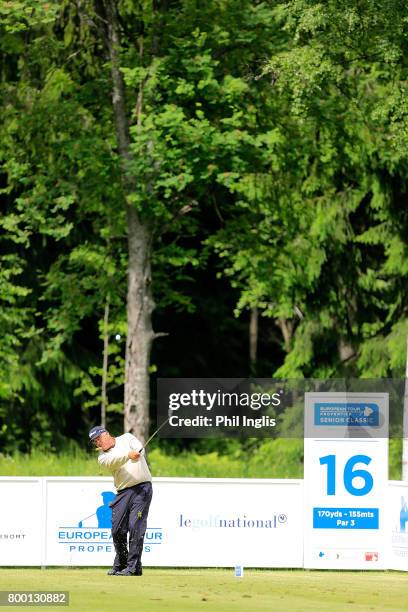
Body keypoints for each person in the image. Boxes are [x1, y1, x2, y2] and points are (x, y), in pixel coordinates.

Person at [89, 425, 153, 576]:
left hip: (142, 489)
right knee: (117, 529)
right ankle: (121, 563)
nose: (98, 443)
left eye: (99, 438)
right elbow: (114, 461)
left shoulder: (126, 438)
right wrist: (128, 456)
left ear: (107, 434)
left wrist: (138, 453)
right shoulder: (102, 457)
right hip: (123, 492)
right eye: (95, 441)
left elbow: (138, 447)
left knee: (135, 526)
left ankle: (133, 567)